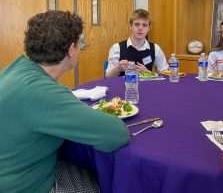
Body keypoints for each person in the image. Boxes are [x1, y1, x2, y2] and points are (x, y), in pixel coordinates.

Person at [0, 10, 129, 193]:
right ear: (71, 50)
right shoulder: (40, 92)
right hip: (25, 185)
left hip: (16, 169)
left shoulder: (16, 68)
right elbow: (116, 135)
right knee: (106, 184)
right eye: (79, 43)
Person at [106, 8, 168, 77]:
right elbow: (108, 77)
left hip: (148, 87)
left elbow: (165, 75)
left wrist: (147, 72)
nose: (140, 28)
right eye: (137, 24)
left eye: (144, 25)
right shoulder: (116, 48)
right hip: (123, 87)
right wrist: (118, 68)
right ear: (130, 26)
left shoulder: (155, 48)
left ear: (149, 28)